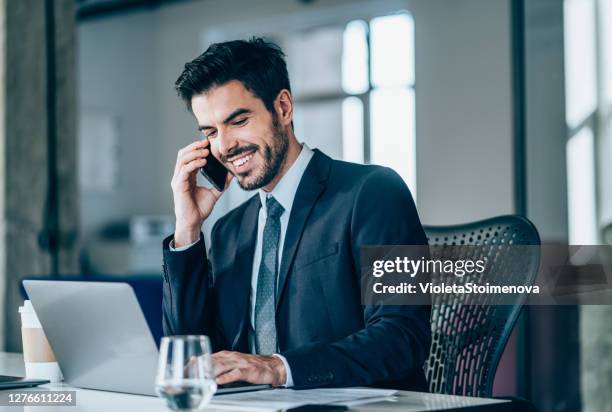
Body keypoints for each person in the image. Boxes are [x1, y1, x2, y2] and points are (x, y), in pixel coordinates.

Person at [163, 37, 431, 390]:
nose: (225, 146)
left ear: (284, 108)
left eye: (238, 121)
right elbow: (193, 357)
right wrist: (188, 230)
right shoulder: (230, 231)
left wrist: (278, 368)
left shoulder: (374, 191)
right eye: (211, 132)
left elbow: (403, 335)